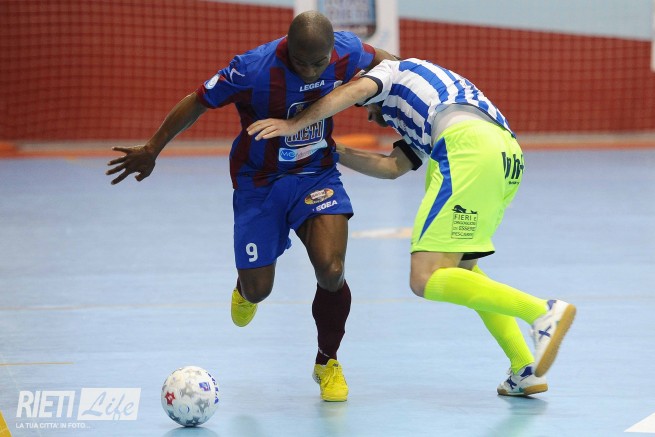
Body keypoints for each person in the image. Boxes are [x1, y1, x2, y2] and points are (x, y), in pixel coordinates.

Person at [106, 11, 396, 402]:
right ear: (287, 50)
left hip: (316, 173)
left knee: (332, 270)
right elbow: (197, 101)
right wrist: (153, 148)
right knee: (259, 290)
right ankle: (245, 290)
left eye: (320, 63)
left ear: (332, 51)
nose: (312, 71)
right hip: (259, 182)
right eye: (302, 63)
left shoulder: (347, 50)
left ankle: (327, 361)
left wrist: (393, 99)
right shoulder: (252, 69)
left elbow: (394, 66)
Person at [247, 57, 577, 396]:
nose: (368, 116)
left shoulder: (388, 72)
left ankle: (542, 312)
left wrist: (294, 125)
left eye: (365, 107)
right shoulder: (421, 114)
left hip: (466, 148)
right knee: (463, 271)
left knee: (424, 278)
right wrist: (330, 149)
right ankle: (523, 367)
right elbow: (392, 167)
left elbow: (354, 91)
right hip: (504, 157)